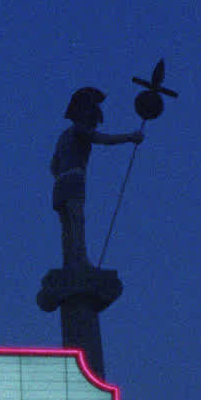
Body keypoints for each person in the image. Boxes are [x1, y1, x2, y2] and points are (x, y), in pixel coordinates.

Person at [51, 87, 143, 271]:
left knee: (67, 227)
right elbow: (102, 139)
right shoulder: (79, 130)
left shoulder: (63, 136)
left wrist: (62, 175)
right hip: (74, 179)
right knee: (77, 222)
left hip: (59, 185)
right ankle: (81, 261)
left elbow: (53, 165)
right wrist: (130, 137)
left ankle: (69, 262)